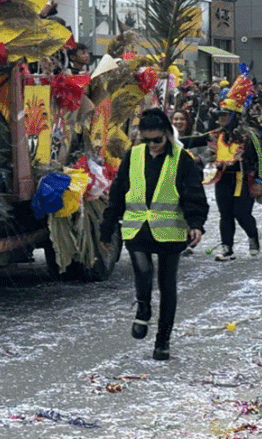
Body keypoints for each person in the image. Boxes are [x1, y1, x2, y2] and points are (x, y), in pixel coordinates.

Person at [101, 108, 208, 361]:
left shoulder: (181, 159)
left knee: (167, 285)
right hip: (136, 227)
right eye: (146, 140)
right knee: (143, 271)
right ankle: (143, 308)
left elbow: (193, 194)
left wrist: (196, 223)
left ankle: (163, 342)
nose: (152, 146)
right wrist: (107, 227)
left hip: (170, 231)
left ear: (167, 135)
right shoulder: (133, 156)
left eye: (157, 140)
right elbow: (117, 193)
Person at [208, 73, 262, 262]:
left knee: (241, 213)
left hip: (243, 179)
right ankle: (227, 247)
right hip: (223, 179)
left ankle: (253, 236)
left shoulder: (250, 135)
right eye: (220, 115)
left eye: (225, 115)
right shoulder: (216, 135)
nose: (221, 118)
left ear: (236, 116)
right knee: (225, 214)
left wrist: (259, 181)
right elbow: (201, 147)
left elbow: (260, 159)